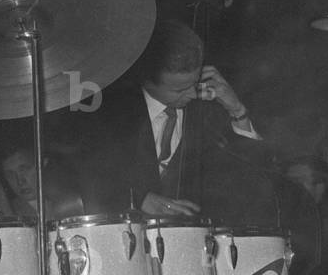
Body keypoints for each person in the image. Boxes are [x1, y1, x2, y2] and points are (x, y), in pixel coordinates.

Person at [82, 19, 274, 226]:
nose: (193, 94)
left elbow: (258, 179)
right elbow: (79, 174)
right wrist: (139, 199)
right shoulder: (107, 112)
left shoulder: (212, 105)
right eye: (179, 89)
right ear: (146, 81)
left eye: (194, 82)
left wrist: (237, 109)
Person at [0, 140, 84, 221]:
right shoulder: (4, 213)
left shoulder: (71, 203)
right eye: (10, 175)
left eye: (25, 169)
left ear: (43, 164)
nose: (20, 181)